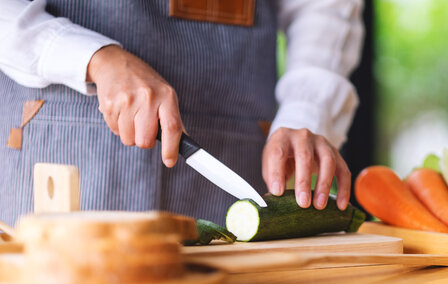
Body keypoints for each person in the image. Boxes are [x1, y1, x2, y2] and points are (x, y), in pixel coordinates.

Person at [0, 0, 365, 227]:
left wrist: (307, 109)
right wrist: (91, 57)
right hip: (51, 154)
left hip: (237, 152)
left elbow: (325, 7)